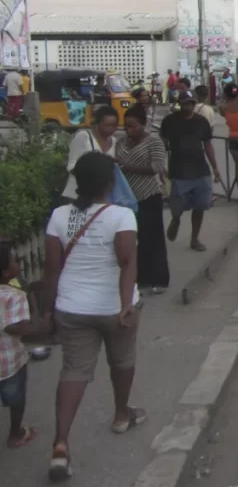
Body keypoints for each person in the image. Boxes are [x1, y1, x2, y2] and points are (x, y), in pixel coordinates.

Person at [42, 151, 145, 482]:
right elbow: (128, 262)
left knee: (73, 370)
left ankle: (60, 444)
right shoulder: (121, 216)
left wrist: (47, 310)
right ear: (110, 182)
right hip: (113, 308)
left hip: (71, 307)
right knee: (122, 361)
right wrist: (126, 302)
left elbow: (52, 269)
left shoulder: (58, 216)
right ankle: (120, 414)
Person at [116, 105, 170, 295]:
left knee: (152, 239)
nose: (129, 130)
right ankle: (139, 277)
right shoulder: (121, 142)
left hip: (148, 195)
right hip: (126, 199)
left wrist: (126, 166)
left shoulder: (154, 142)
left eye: (133, 126)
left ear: (143, 125)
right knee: (132, 240)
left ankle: (158, 279)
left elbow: (156, 167)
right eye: (126, 126)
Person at [160, 92, 222, 252]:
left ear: (194, 104)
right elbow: (163, 144)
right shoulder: (170, 121)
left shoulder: (201, 122)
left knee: (200, 205)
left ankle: (195, 239)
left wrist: (215, 167)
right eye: (185, 103)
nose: (188, 106)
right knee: (177, 205)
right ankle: (176, 219)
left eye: (191, 103)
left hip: (200, 169)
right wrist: (161, 166)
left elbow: (208, 145)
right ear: (179, 103)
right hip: (179, 170)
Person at [0, 242, 41, 449]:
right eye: (15, 260)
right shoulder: (14, 296)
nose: (19, 263)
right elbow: (21, 328)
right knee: (16, 399)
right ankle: (15, 434)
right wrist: (32, 299)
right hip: (10, 365)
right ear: (7, 271)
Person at [61, 105, 119, 205]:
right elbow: (71, 165)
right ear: (97, 123)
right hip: (76, 195)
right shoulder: (83, 137)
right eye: (107, 125)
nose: (111, 129)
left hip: (99, 199)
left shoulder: (114, 141)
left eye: (114, 125)